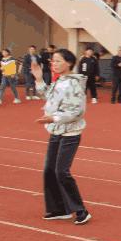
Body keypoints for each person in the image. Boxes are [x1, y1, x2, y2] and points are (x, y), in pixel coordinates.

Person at [29, 49, 92, 225]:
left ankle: (81, 210)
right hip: (56, 131)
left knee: (61, 171)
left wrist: (54, 117)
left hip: (70, 133)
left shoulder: (74, 84)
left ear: (69, 63)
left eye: (57, 61)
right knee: (49, 170)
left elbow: (77, 111)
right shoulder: (59, 81)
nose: (53, 64)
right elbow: (47, 97)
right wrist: (39, 78)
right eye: (52, 61)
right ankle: (59, 209)